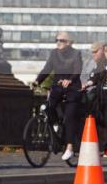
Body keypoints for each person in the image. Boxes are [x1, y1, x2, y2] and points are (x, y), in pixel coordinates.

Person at [31, 31, 83, 161]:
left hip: (72, 89)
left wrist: (70, 80)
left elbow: (77, 70)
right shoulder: (54, 53)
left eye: (62, 40)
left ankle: (70, 147)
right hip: (58, 88)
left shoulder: (76, 54)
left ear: (69, 42)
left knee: (70, 116)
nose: (58, 42)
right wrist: (37, 81)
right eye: (57, 40)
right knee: (48, 107)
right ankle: (55, 125)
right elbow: (47, 69)